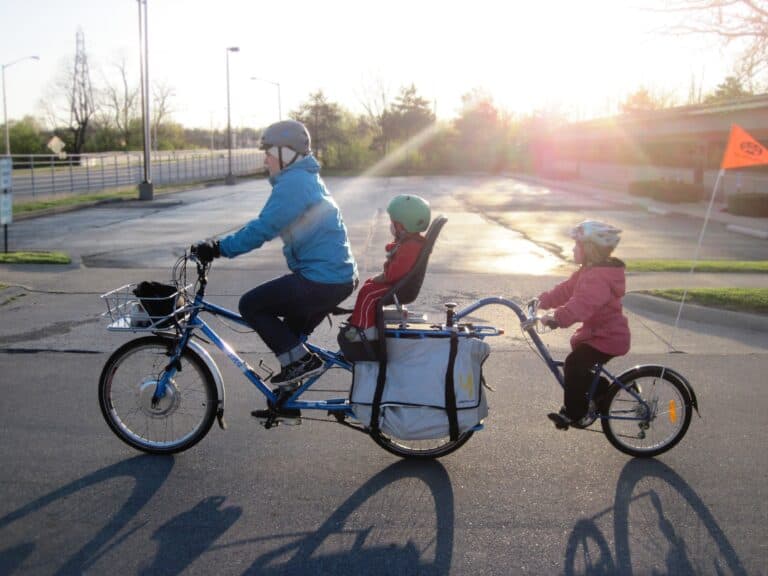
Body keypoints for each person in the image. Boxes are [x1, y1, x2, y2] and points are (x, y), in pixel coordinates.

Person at [192, 119, 357, 395]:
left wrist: (219, 248)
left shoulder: (294, 183)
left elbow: (263, 228)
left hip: (322, 279)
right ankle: (287, 400)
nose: (266, 160)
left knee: (252, 305)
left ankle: (302, 362)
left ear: (287, 153)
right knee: (290, 340)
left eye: (269, 153)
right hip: (332, 276)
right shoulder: (304, 177)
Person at [536, 220, 631, 430]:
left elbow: (582, 304)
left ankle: (575, 414)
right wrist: (542, 301)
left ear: (589, 249)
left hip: (608, 338)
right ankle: (603, 390)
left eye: (576, 245)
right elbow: (566, 290)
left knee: (574, 364)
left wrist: (558, 318)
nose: (572, 248)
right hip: (598, 335)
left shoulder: (599, 277)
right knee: (580, 366)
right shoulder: (588, 271)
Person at [343, 194, 431, 341]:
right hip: (400, 284)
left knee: (368, 294)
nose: (391, 226)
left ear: (403, 225)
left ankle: (363, 331)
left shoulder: (411, 246)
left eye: (394, 223)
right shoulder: (411, 241)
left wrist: (383, 277)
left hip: (401, 288)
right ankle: (362, 319)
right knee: (369, 285)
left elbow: (395, 272)